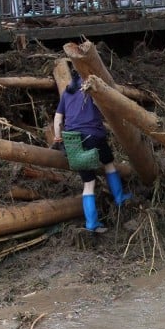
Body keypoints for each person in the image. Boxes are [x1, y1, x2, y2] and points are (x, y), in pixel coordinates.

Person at [52, 72, 131, 232]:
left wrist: (58, 139)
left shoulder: (68, 90)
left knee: (88, 183)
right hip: (93, 135)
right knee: (109, 164)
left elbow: (58, 118)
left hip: (73, 140)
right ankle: (119, 198)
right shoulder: (93, 86)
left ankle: (91, 223)